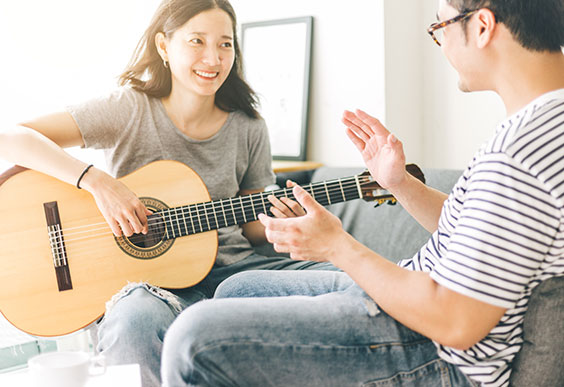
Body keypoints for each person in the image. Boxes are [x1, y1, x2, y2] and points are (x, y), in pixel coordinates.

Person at [160, 0, 564, 386]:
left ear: (481, 27)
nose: (440, 45)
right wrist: (399, 185)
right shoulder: (540, 127)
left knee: (191, 343)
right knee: (238, 290)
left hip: (435, 349)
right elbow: (481, 235)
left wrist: (337, 246)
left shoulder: (519, 151)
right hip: (423, 300)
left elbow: (456, 321)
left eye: (440, 27)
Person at [0, 1, 334, 386]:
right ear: (163, 46)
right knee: (134, 320)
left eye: (225, 44)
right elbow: (11, 137)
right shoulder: (129, 110)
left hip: (238, 273)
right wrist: (96, 181)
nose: (213, 57)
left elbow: (250, 224)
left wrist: (281, 221)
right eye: (197, 41)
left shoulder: (249, 126)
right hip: (147, 284)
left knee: (350, 281)